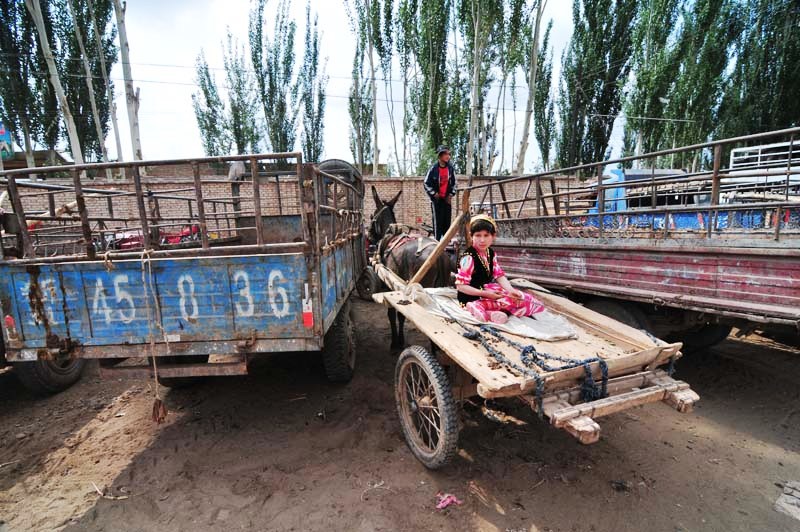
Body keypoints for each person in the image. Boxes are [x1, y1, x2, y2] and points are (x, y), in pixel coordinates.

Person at [455, 214, 544, 324]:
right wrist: (486, 294)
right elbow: (461, 287)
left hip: (488, 291)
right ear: (471, 236)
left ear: (493, 236)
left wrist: (511, 291)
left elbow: (499, 276)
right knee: (506, 301)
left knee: (524, 299)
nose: (482, 240)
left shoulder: (490, 254)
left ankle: (490, 313)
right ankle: (479, 307)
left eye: (486, 235)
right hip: (471, 295)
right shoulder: (468, 257)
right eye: (478, 235)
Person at [423, 145, 456, 240]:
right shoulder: (433, 169)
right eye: (446, 154)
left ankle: (446, 243)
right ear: (440, 155)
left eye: (449, 154)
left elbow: (454, 184)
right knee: (438, 223)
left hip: (446, 200)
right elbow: (426, 183)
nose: (448, 156)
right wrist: (433, 193)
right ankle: (437, 243)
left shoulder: (450, 169)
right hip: (437, 201)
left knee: (447, 223)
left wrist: (451, 194)